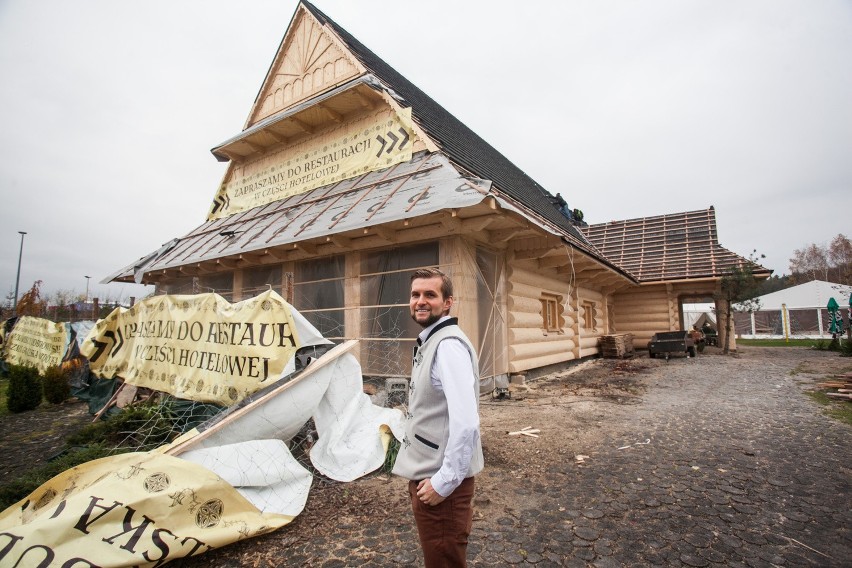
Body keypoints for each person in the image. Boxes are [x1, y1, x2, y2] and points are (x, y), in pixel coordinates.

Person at [392, 268, 484, 567]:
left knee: (443, 560)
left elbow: (466, 423)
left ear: (448, 303)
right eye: (415, 294)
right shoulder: (432, 340)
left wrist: (444, 483)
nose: (420, 301)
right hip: (428, 475)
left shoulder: (447, 346)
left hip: (439, 484)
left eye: (430, 294)